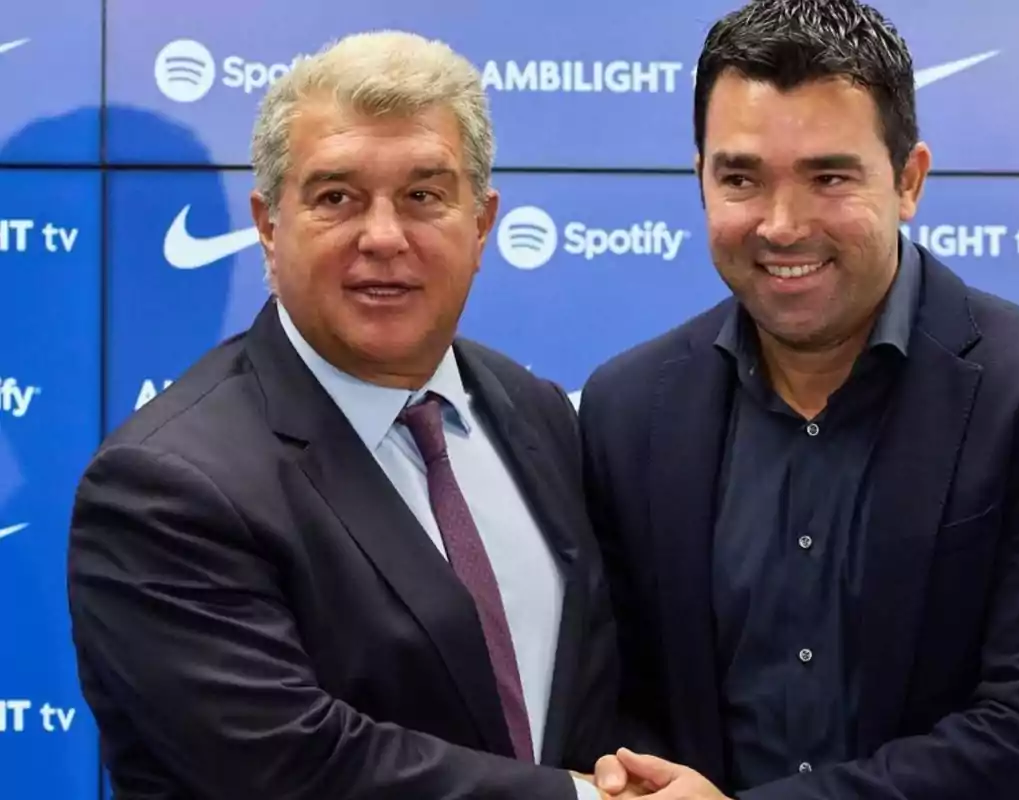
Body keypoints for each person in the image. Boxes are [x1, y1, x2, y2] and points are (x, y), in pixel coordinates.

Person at [580, 1, 1019, 798]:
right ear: (700, 178)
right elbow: (615, 696)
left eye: (829, 177)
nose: (781, 226)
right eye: (741, 178)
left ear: (908, 180)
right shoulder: (626, 409)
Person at [67, 30, 623, 800]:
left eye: (424, 196)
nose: (384, 238)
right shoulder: (164, 484)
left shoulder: (533, 412)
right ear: (268, 224)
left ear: (482, 222)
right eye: (337, 198)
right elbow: (289, 767)